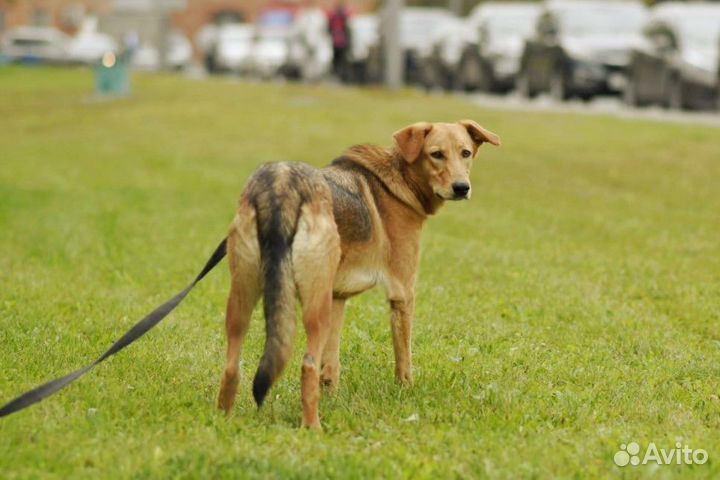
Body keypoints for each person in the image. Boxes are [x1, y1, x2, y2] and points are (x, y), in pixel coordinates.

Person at [327, 0, 351, 80]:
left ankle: (341, 77)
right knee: (337, 61)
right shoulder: (334, 16)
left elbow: (346, 29)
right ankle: (337, 76)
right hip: (337, 41)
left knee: (340, 61)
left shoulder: (343, 17)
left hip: (340, 41)